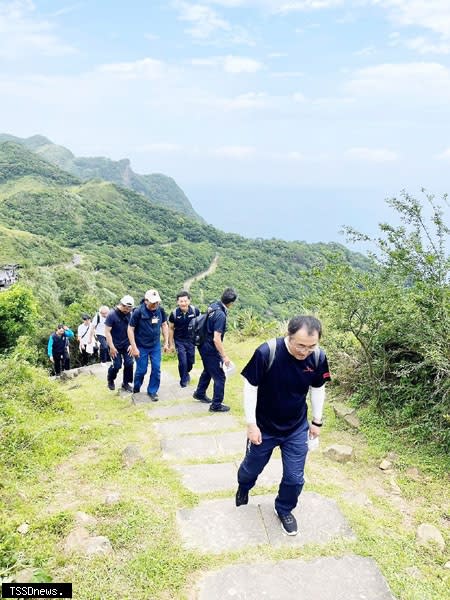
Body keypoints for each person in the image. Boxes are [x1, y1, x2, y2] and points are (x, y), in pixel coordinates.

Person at [235, 315, 331, 536]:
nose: (305, 351)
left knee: (295, 478)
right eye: (300, 345)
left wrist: (317, 420)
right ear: (289, 336)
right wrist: (251, 424)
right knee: (251, 469)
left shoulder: (317, 357)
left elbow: (318, 388)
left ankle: (284, 509)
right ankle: (244, 486)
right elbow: (250, 387)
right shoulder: (267, 352)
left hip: (296, 426)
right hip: (264, 426)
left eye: (311, 346)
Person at [192, 287, 237, 413]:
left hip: (202, 343)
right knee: (220, 376)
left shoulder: (213, 305)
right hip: (210, 346)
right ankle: (216, 405)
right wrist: (224, 357)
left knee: (208, 369)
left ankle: (200, 393)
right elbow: (217, 339)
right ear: (231, 303)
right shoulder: (221, 315)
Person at [128, 289, 169, 401]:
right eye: (152, 302)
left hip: (155, 345)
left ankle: (152, 391)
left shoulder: (160, 310)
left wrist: (166, 343)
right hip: (141, 345)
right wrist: (134, 347)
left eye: (157, 302)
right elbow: (130, 329)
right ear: (146, 301)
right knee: (142, 370)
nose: (155, 304)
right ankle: (136, 388)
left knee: (156, 368)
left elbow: (164, 325)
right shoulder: (138, 312)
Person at [168, 291, 200, 387]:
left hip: (191, 340)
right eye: (181, 301)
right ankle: (183, 381)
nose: (183, 303)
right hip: (179, 340)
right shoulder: (174, 314)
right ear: (177, 302)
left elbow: (200, 324)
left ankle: (186, 373)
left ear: (189, 301)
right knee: (182, 361)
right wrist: (171, 344)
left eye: (185, 301)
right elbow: (170, 328)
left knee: (190, 361)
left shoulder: (195, 311)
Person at [104, 295, 135, 392]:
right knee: (117, 365)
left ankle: (126, 383)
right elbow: (107, 332)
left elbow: (134, 329)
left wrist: (132, 344)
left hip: (127, 343)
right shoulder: (112, 315)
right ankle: (110, 379)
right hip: (114, 344)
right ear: (122, 305)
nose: (128, 310)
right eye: (126, 307)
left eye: (130, 308)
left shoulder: (131, 314)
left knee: (129, 363)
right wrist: (111, 347)